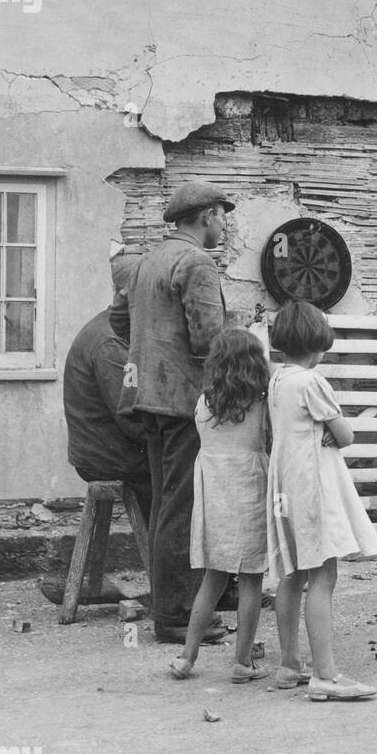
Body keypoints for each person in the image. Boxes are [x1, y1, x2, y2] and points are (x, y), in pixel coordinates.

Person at [123, 182, 234, 645]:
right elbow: (209, 339)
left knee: (166, 500)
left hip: (146, 396)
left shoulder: (147, 260)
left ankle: (181, 602)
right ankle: (173, 616)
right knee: (181, 504)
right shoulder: (197, 262)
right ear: (205, 216)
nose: (225, 224)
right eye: (222, 215)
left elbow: (117, 321)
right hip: (184, 400)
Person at [267, 300, 377, 701]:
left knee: (291, 573)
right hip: (310, 489)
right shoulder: (312, 382)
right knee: (323, 575)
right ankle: (326, 674)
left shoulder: (278, 380)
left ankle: (288, 664)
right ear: (318, 346)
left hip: (283, 488)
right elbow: (346, 435)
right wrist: (331, 434)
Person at [40, 274, 151, 607]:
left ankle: (182, 584)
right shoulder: (109, 344)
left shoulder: (107, 331)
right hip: (107, 454)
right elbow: (131, 418)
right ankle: (178, 590)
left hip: (100, 449)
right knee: (177, 479)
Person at [169, 329, 270, 683]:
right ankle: (243, 662)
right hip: (251, 495)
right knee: (251, 580)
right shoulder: (261, 405)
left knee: (212, 579)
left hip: (215, 499)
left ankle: (186, 657)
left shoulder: (204, 405)